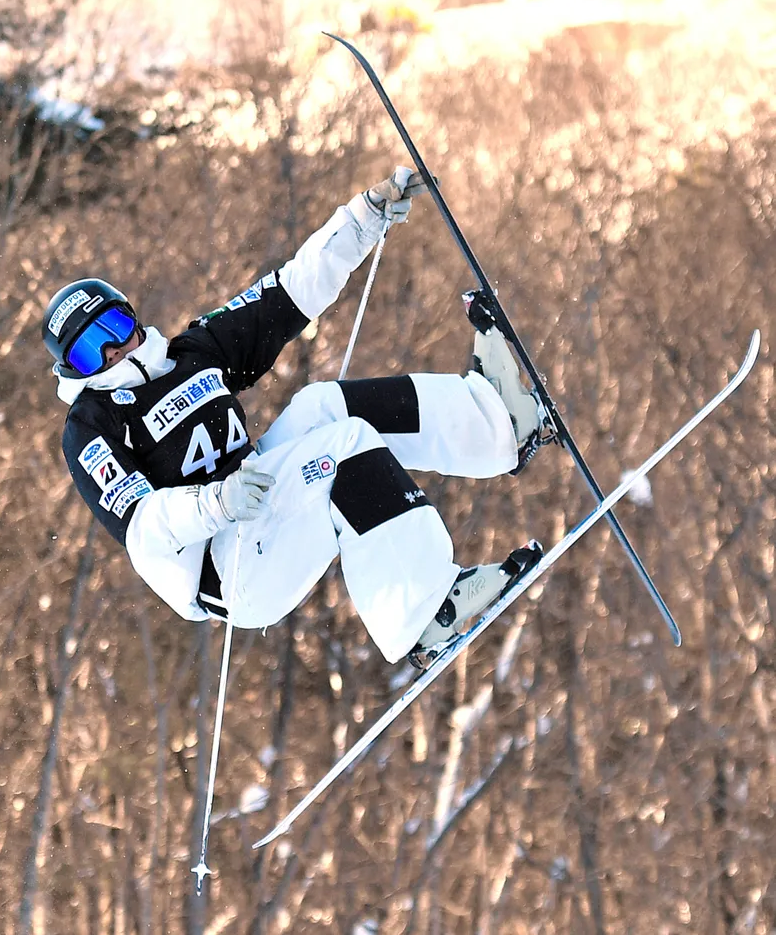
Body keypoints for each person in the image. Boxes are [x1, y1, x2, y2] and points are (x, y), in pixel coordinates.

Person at [42, 167, 546, 665]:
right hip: (228, 568)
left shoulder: (191, 353)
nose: (111, 351)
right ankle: (425, 614)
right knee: (343, 446)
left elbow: (285, 293)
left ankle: (498, 425)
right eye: (87, 352)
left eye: (112, 327)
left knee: (321, 406)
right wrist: (216, 503)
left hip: (262, 501)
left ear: (132, 317)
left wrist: (365, 217)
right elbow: (144, 527)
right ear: (72, 370)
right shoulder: (91, 423)